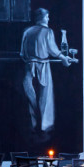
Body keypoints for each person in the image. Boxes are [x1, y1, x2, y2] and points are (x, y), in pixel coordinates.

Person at [20, 8, 77, 142]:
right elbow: (53, 50)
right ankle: (43, 126)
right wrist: (64, 58)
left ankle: (34, 125)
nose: (49, 19)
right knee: (44, 96)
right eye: (47, 17)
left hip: (28, 67)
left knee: (31, 98)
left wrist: (30, 59)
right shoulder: (47, 31)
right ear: (42, 18)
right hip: (43, 66)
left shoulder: (27, 31)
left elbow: (22, 53)